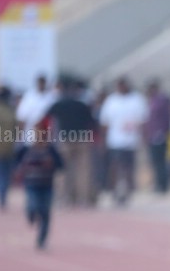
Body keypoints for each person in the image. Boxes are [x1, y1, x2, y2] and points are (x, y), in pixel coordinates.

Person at [46, 78, 99, 207]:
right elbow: (92, 123)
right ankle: (83, 199)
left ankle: (64, 198)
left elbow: (46, 118)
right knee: (83, 171)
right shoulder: (83, 105)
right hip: (82, 139)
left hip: (65, 139)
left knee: (63, 170)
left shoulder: (59, 104)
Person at [97, 77, 147, 207]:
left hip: (131, 141)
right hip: (115, 141)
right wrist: (103, 140)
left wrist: (140, 132)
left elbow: (143, 120)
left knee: (129, 168)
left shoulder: (137, 100)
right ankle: (116, 192)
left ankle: (127, 193)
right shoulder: (111, 101)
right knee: (115, 167)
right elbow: (105, 122)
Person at [14, 123, 64, 249]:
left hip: (47, 185)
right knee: (33, 205)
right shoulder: (26, 149)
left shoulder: (50, 150)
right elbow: (16, 161)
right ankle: (30, 214)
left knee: (45, 212)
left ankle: (42, 239)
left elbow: (61, 165)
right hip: (32, 184)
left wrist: (52, 164)